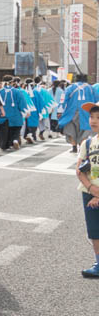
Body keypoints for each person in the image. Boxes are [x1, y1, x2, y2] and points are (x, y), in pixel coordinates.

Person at [76, 102, 99, 278]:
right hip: (89, 192)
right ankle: (98, 263)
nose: (94, 121)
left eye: (98, 117)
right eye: (92, 117)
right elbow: (79, 169)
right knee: (94, 230)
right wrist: (92, 189)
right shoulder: (88, 142)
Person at [58, 74, 94, 154]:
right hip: (86, 112)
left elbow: (63, 100)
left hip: (72, 112)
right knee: (85, 130)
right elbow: (94, 99)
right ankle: (82, 147)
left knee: (70, 129)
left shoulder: (70, 88)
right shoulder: (90, 88)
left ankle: (74, 147)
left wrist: (60, 111)